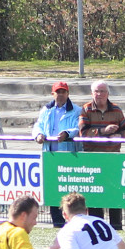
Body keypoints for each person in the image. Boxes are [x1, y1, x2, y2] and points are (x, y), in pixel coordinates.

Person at [79, 80, 125, 231]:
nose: (99, 94)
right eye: (96, 91)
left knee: (114, 195)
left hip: (113, 158)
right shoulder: (86, 109)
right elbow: (83, 133)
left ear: (108, 93)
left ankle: (116, 228)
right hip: (92, 159)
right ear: (92, 93)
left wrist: (120, 136)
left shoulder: (116, 110)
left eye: (102, 91)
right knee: (95, 197)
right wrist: (103, 132)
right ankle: (97, 228)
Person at [32, 81, 82, 227]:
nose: (60, 95)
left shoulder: (76, 110)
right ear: (53, 94)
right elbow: (38, 125)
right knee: (53, 189)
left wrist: (67, 133)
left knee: (69, 190)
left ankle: (72, 220)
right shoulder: (46, 110)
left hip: (68, 155)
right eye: (58, 92)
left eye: (63, 92)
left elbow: (78, 128)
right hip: (50, 155)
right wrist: (38, 135)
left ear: (68, 93)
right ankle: (57, 222)